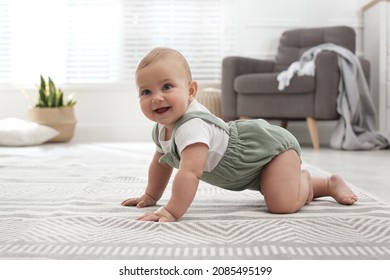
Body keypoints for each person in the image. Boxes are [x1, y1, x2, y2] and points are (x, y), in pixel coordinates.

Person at [121, 47, 358, 222]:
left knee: (281, 204)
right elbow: (161, 165)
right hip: (248, 170)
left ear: (191, 90)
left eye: (167, 87)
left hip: (270, 152)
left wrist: (171, 210)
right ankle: (295, 181)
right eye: (146, 91)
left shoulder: (192, 127)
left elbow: (189, 173)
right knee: (273, 188)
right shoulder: (160, 130)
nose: (157, 97)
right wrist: (151, 195)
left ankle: (320, 183)